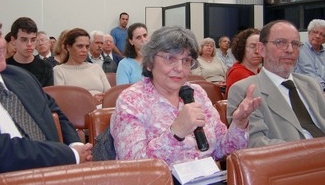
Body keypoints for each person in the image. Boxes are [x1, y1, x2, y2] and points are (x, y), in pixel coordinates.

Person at [0, 0, 92, 182]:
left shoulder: (19, 76)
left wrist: (77, 144)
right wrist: (71, 155)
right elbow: (0, 154)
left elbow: (55, 111)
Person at [110, 26, 261, 171]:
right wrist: (176, 132)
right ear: (149, 63)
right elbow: (134, 167)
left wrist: (239, 124)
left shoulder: (197, 93)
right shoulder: (131, 100)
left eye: (186, 60)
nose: (180, 68)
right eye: (170, 58)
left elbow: (222, 149)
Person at [227, 20, 325, 148]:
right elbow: (255, 143)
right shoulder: (244, 90)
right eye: (280, 43)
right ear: (261, 49)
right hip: (294, 163)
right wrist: (312, 151)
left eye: (295, 44)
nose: (290, 50)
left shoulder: (311, 84)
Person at [53, 28, 111, 104]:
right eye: (80, 46)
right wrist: (89, 101)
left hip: (102, 110)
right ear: (68, 47)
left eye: (87, 46)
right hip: (77, 112)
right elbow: (62, 101)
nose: (84, 50)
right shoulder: (59, 70)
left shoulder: (96, 68)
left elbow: (109, 94)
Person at [6, 17, 54, 87]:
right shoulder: (4, 67)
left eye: (33, 40)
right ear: (13, 40)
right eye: (24, 40)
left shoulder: (46, 68)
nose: (29, 44)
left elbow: (47, 96)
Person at [294, 19, 325, 91]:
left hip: (324, 95)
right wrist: (324, 88)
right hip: (303, 93)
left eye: (322, 34)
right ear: (309, 33)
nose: (317, 36)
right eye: (315, 32)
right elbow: (307, 73)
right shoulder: (298, 50)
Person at [225, 28, 262, 98]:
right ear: (242, 49)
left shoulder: (261, 72)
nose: (257, 51)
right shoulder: (238, 73)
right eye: (252, 46)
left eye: (260, 47)